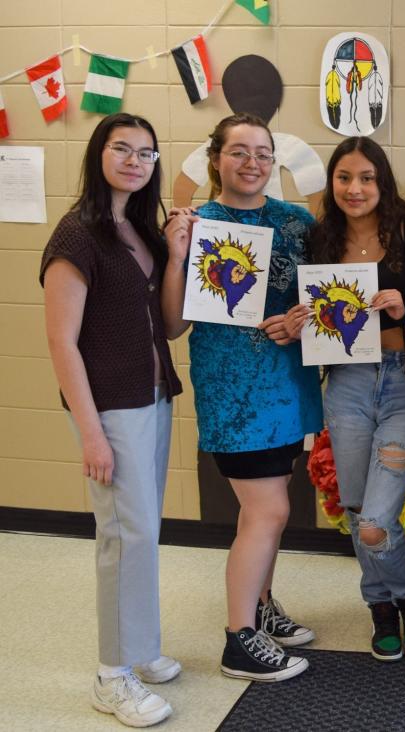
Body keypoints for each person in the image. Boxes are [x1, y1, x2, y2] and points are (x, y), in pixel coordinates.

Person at [162, 113, 323, 682]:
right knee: (269, 510)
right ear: (216, 160)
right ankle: (239, 640)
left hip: (290, 386)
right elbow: (175, 326)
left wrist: (306, 320)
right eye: (239, 151)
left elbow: (323, 299)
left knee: (271, 507)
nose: (252, 162)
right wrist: (178, 255)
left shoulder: (297, 222)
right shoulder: (196, 222)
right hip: (234, 390)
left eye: (262, 152)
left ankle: (260, 604)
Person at [41, 113, 182, 727]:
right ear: (98, 154)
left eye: (146, 153)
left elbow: (172, 325)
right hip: (110, 407)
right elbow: (61, 343)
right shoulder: (77, 236)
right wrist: (91, 430)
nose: (134, 160)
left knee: (141, 531)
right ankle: (112, 675)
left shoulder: (141, 231)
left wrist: (176, 254)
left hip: (152, 398)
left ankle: (140, 649)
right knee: (123, 537)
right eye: (122, 148)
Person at [284, 137, 405, 661]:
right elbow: (306, 309)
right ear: (332, 183)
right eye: (344, 177)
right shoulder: (318, 239)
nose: (355, 188)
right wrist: (299, 322)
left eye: (367, 177)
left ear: (383, 181)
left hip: (404, 385)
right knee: (355, 508)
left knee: (376, 519)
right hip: (346, 381)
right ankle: (380, 604)